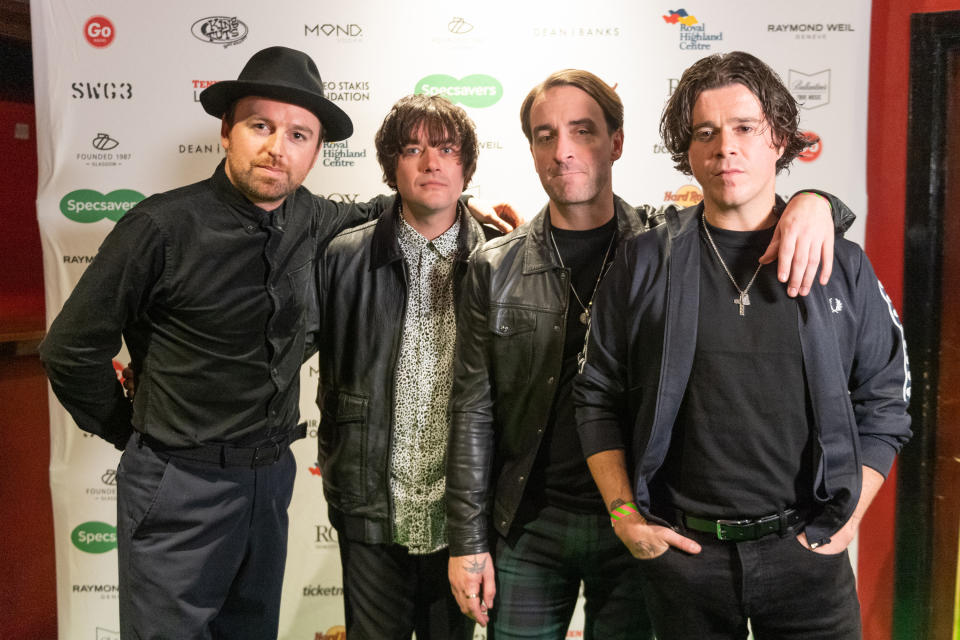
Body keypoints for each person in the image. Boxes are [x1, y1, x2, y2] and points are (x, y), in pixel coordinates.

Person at [39, 47, 515, 640]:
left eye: (299, 134)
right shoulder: (160, 226)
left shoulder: (321, 223)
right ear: (226, 131)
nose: (277, 148)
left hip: (269, 480)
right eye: (260, 126)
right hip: (176, 480)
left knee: (252, 630)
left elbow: (411, 207)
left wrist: (481, 218)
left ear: (316, 151)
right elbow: (69, 349)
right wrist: (136, 433)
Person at [445, 67, 854, 639]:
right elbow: (473, 411)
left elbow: (741, 207)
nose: (563, 151)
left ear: (615, 143)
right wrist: (467, 542)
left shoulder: (660, 246)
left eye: (583, 131)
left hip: (651, 521)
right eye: (545, 135)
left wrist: (817, 202)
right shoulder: (496, 266)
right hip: (531, 522)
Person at [575, 51, 911, 640]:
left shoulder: (843, 264)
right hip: (683, 557)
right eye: (706, 132)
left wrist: (849, 519)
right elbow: (596, 395)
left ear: (779, 139)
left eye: (745, 128)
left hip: (808, 554)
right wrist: (626, 515)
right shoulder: (644, 260)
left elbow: (886, 400)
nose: (725, 146)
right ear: (688, 149)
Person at [314, 94, 495, 640]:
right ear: (392, 165)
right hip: (371, 510)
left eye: (445, 149)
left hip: (461, 523)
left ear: (466, 165)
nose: (431, 163)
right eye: (412, 149)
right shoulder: (343, 258)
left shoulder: (502, 260)